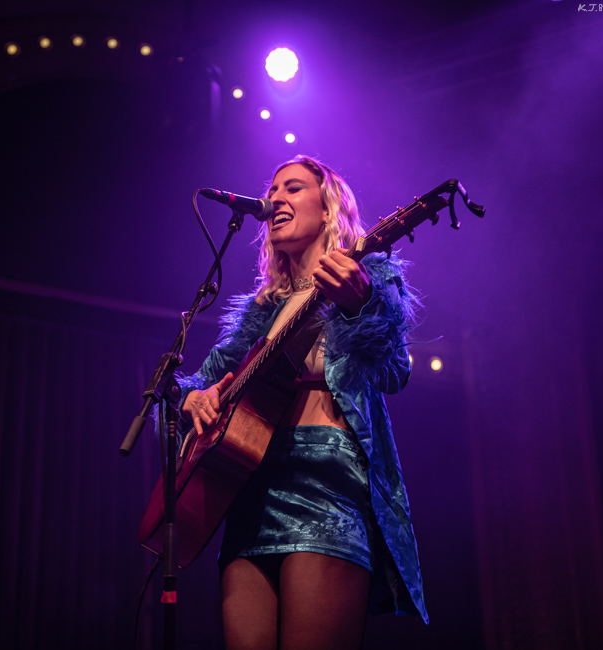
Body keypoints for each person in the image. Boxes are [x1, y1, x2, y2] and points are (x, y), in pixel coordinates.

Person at [178, 156, 428, 649]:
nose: (276, 200)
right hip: (249, 487)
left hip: (326, 487)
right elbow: (195, 384)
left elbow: (395, 371)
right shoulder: (262, 310)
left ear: (329, 206)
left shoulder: (367, 274)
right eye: (273, 191)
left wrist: (360, 305)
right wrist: (196, 400)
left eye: (293, 188)